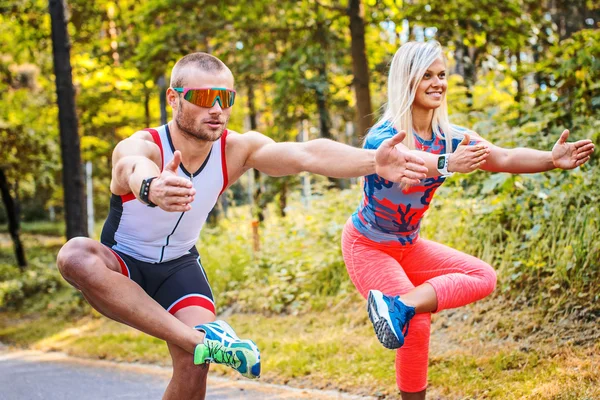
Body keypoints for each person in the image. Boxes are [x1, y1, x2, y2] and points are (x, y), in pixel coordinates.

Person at [55, 52, 433, 400]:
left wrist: (373, 161)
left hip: (178, 270)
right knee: (74, 255)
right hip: (123, 264)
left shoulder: (236, 149)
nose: (217, 109)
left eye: (226, 98)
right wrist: (151, 187)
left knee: (193, 363)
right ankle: (203, 339)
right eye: (204, 98)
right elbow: (129, 165)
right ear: (174, 99)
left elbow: (305, 154)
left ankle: (203, 343)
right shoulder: (146, 145)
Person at [340, 40, 595, 400]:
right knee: (417, 323)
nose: (437, 83)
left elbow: (504, 157)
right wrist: (447, 163)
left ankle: (400, 307)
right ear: (406, 80)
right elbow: (408, 161)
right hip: (367, 245)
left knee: (482, 276)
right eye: (426, 75)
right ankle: (403, 318)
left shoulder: (451, 137)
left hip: (408, 245)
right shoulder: (385, 137)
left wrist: (551, 159)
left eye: (442, 75)